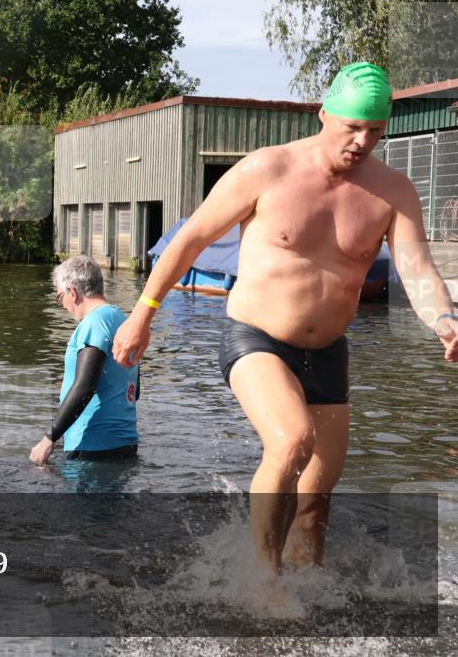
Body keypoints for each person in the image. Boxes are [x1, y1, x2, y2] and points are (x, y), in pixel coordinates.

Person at [111, 63, 457, 582]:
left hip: (329, 352)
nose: (362, 142)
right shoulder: (267, 169)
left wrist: (444, 319)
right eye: (352, 128)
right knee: (292, 440)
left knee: (316, 498)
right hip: (257, 339)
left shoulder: (392, 191)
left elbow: (417, 268)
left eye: (375, 131)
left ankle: (309, 595)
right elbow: (191, 239)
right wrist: (142, 314)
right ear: (324, 115)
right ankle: (263, 586)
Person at [30, 255, 140, 465]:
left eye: (59, 297)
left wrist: (49, 439)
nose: (62, 305)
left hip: (91, 447)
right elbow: (135, 389)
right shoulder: (122, 320)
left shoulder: (95, 323)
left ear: (72, 292)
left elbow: (85, 386)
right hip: (124, 443)